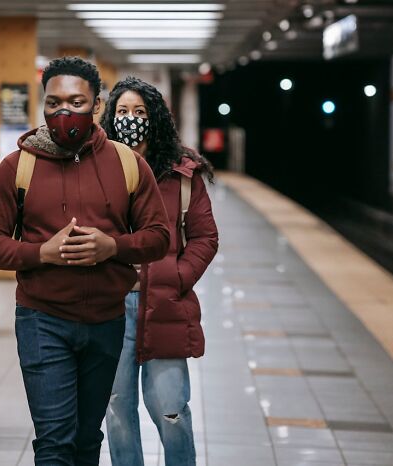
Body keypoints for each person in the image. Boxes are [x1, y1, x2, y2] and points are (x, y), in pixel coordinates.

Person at [0, 57, 170, 465]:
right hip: (42, 320)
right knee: (55, 440)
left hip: (106, 322)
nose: (64, 113)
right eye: (53, 103)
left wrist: (111, 247)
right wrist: (40, 253)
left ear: (97, 106)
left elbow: (159, 238)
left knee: (84, 439)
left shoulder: (129, 165)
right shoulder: (18, 166)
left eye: (76, 102)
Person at [100, 76, 219, 466]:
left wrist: (178, 277)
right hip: (110, 305)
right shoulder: (98, 166)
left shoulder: (181, 173)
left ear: (156, 119)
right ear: (110, 117)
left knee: (172, 409)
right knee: (116, 409)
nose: (130, 119)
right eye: (122, 112)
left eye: (139, 112)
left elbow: (204, 237)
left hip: (165, 304)